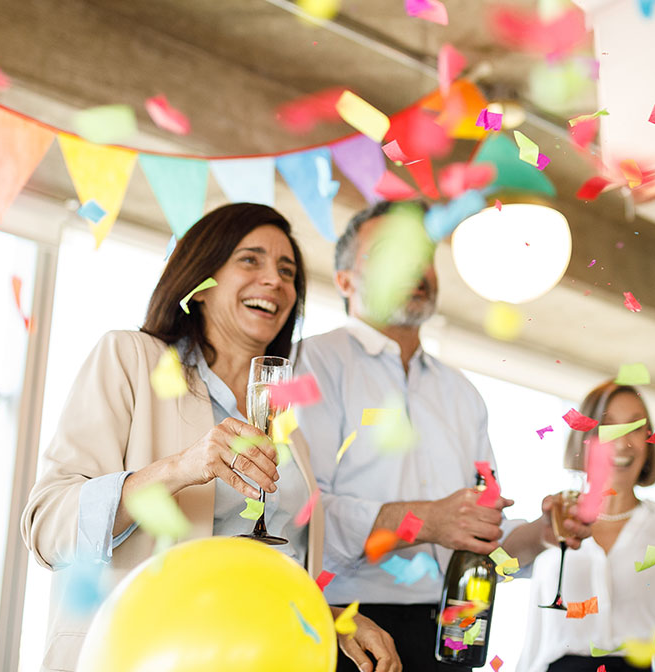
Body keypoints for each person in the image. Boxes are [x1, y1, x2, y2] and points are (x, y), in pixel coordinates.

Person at [21, 203, 399, 672]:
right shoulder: (130, 358)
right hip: (138, 656)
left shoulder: (290, 431)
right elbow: (46, 528)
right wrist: (180, 468)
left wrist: (329, 617)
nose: (276, 280)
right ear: (199, 284)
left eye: (287, 271)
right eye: (250, 260)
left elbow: (258, 571)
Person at [295, 200, 594, 672]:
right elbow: (302, 516)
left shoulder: (462, 393)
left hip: (457, 630)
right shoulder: (311, 364)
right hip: (347, 630)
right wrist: (426, 520)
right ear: (345, 281)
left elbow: (478, 537)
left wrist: (543, 532)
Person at [516, 382, 655, 672]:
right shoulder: (553, 527)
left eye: (635, 427)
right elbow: (534, 643)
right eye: (608, 428)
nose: (623, 442)